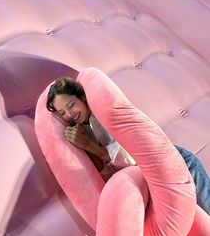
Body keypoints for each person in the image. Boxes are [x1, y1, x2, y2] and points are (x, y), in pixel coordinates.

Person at [46, 76, 210, 215]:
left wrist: (88, 145)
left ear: (82, 97)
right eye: (62, 113)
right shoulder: (81, 129)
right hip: (151, 181)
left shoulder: (103, 112)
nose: (69, 115)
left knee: (206, 211)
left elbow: (129, 157)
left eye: (71, 105)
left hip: (176, 163)